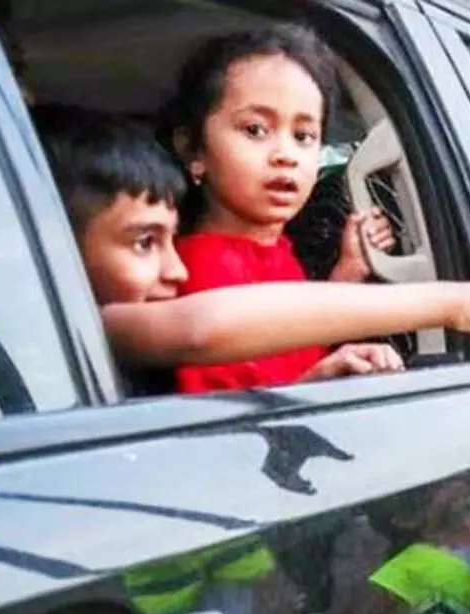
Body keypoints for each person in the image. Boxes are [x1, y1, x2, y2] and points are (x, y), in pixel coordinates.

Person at [36, 106, 470, 380]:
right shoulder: (95, 323)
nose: (178, 271)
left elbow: (262, 376)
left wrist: (318, 376)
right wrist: (459, 300)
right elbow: (202, 327)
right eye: (144, 243)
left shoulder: (277, 255)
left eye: (306, 135)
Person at [160, 25, 406, 393]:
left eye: (303, 136)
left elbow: (294, 341)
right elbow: (224, 414)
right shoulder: (194, 271)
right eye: (255, 130)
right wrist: (317, 380)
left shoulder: (275, 250)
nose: (286, 155)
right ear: (193, 150)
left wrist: (348, 271)